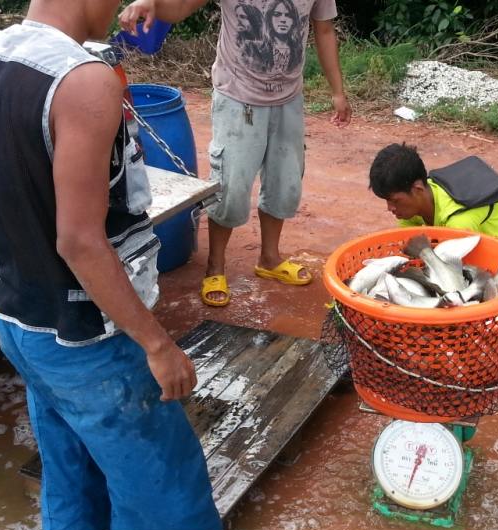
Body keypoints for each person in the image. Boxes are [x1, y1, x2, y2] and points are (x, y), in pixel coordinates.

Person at [0, 1, 238, 530]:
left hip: (22, 322)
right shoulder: (83, 82)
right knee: (174, 479)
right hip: (87, 336)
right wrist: (157, 344)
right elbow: (79, 241)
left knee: (70, 478)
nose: (118, 9)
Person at [119, 0, 352, 307]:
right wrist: (150, 3)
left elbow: (323, 29)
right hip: (237, 96)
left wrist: (337, 91)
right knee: (230, 186)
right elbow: (183, 6)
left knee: (285, 182)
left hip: (289, 98)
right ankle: (216, 266)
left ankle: (270, 259)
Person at [368, 143, 498, 333]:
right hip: (489, 235)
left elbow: (465, 276)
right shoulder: (414, 208)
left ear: (418, 189)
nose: (390, 208)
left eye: (395, 201)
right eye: (386, 201)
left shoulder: (458, 221)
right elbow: (412, 249)